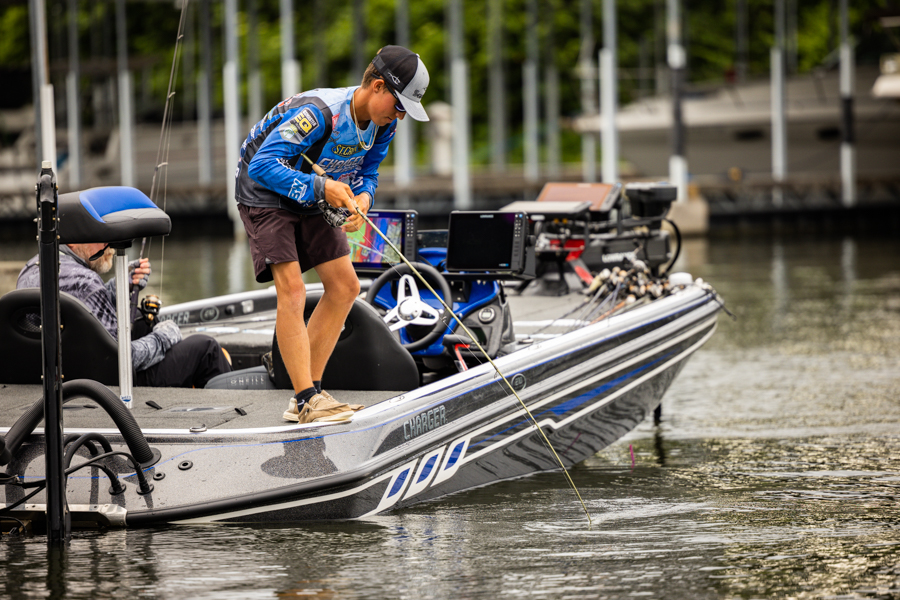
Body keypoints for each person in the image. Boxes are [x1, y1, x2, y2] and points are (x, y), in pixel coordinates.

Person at [235, 45, 430, 424]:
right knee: (293, 290)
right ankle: (306, 399)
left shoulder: (384, 124)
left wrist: (363, 198)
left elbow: (368, 172)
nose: (400, 116)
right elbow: (261, 165)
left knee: (345, 287)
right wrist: (323, 188)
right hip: (264, 191)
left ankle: (309, 393)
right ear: (378, 86)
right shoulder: (318, 113)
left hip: (315, 188)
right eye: (400, 105)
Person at [17, 243, 232, 388]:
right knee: (207, 349)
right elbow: (121, 359)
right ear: (74, 241)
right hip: (106, 385)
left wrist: (120, 285)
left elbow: (83, 309)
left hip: (62, 372)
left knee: (139, 319)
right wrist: (163, 337)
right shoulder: (86, 281)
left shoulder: (32, 267)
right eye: (102, 238)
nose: (110, 246)